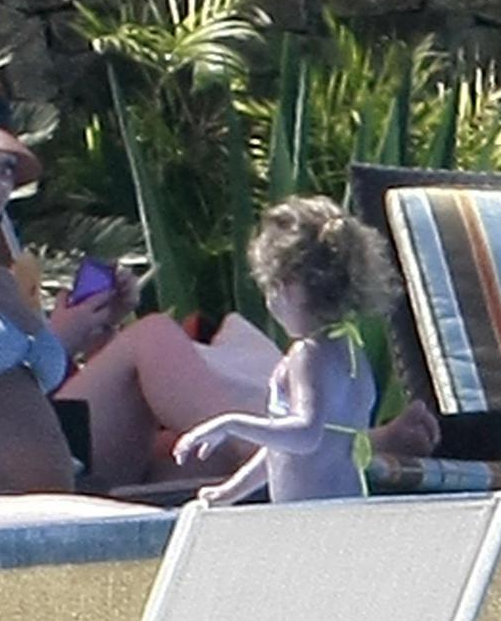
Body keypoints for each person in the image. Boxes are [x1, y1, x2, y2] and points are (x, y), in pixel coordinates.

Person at [0, 68, 439, 537]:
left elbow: (17, 387)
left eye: (7, 167)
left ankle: (324, 437)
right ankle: (318, 440)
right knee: (158, 537)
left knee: (196, 526)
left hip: (53, 504)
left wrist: (92, 329)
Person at [174, 195, 408, 504]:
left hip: (310, 519)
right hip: (346, 508)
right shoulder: (350, 349)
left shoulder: (308, 354)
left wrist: (230, 423)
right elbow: (284, 447)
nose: (270, 302)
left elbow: (304, 435)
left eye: (270, 289)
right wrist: (227, 493)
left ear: (289, 286)